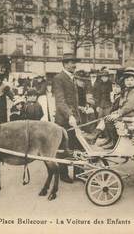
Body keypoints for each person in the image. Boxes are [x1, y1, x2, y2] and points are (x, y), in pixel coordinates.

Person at [86, 67, 134, 149]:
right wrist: (116, 112)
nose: (129, 82)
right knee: (107, 118)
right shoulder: (127, 90)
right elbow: (122, 105)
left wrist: (118, 114)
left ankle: (113, 141)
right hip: (127, 114)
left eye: (131, 80)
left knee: (109, 120)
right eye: (127, 80)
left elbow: (129, 106)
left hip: (133, 115)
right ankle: (107, 138)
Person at [53, 53, 82, 183]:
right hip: (64, 119)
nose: (74, 65)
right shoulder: (59, 78)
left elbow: (73, 100)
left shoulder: (72, 77)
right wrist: (70, 115)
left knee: (78, 146)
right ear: (64, 64)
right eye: (71, 62)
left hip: (74, 118)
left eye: (74, 62)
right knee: (64, 147)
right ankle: (63, 174)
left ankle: (79, 173)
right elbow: (60, 101)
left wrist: (79, 110)